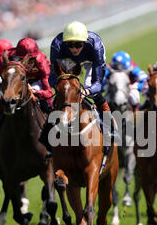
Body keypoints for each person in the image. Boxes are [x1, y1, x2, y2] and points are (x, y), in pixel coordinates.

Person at [39, 21, 114, 156]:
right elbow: (52, 78)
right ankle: (48, 138)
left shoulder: (95, 45)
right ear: (65, 43)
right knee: (64, 93)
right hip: (68, 64)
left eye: (78, 44)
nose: (74, 48)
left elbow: (98, 82)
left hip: (90, 62)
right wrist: (64, 87)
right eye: (70, 44)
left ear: (84, 42)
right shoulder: (57, 45)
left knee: (92, 92)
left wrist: (87, 91)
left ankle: (110, 129)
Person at [0, 37, 54, 134]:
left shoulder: (41, 61)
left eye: (32, 61)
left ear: (36, 57)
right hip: (13, 83)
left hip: (35, 84)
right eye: (25, 61)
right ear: (18, 57)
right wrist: (3, 86)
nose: (29, 64)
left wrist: (35, 92)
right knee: (3, 98)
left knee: (49, 104)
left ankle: (54, 124)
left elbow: (48, 93)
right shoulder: (5, 58)